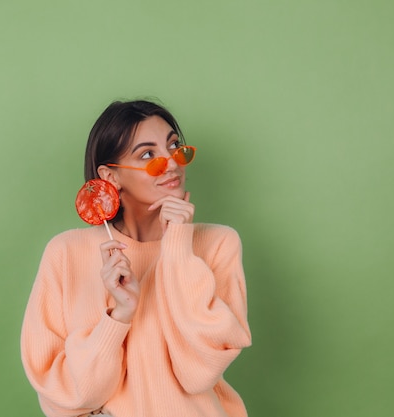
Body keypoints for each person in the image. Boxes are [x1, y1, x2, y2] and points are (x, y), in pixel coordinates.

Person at [21, 99, 252, 417]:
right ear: (111, 176)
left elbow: (197, 373)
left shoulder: (217, 244)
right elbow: (70, 395)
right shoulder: (65, 254)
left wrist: (176, 247)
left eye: (174, 147)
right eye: (148, 155)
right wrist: (119, 315)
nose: (170, 163)